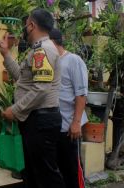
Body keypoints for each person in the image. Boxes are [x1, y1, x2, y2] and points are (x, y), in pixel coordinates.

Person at [0, 9, 65, 188]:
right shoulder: (37, 50)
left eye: (25, 24)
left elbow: (41, 89)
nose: (23, 29)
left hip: (41, 121)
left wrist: (15, 110)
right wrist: (5, 54)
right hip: (36, 120)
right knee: (34, 174)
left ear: (31, 25)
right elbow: (21, 77)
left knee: (46, 176)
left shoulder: (43, 50)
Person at [49, 28, 88, 188]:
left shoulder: (73, 60)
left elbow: (81, 93)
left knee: (72, 172)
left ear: (52, 42)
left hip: (70, 128)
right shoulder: (50, 62)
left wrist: (76, 122)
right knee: (57, 173)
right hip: (54, 127)